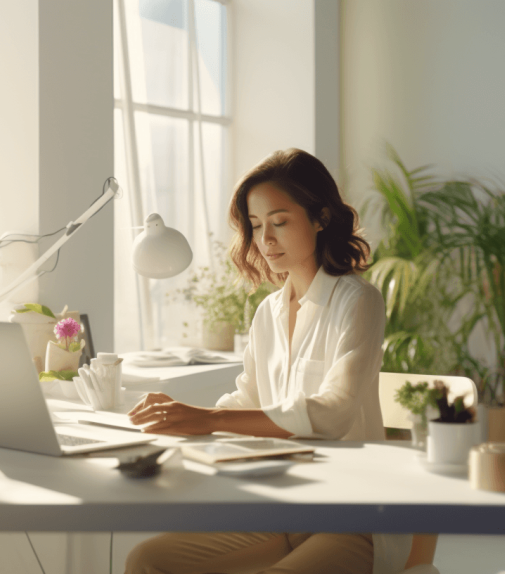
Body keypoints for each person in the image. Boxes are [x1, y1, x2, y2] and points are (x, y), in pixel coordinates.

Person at [124, 148, 413, 574]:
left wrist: (209, 419)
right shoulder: (268, 314)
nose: (266, 240)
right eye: (257, 226)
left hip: (350, 516)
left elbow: (333, 413)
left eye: (279, 222)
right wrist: (167, 423)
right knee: (147, 559)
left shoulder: (357, 302)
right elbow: (247, 400)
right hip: (282, 508)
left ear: (321, 218)